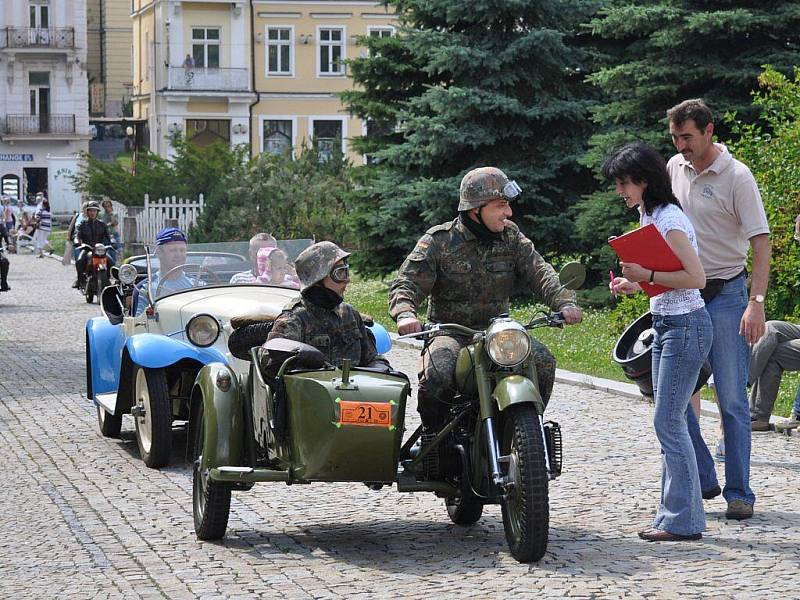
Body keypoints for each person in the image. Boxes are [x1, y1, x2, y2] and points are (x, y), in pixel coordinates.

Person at [389, 166, 582, 433]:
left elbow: (541, 272)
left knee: (543, 362)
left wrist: (565, 302)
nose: (508, 213)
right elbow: (406, 283)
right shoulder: (440, 241)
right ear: (475, 210)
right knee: (438, 374)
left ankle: (523, 432)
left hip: (498, 333)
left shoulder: (511, 236)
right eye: (501, 205)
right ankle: (437, 442)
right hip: (449, 331)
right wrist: (406, 314)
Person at [666, 98, 770, 521]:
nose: (681, 146)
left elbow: (761, 243)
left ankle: (740, 492)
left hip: (727, 295)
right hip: (683, 297)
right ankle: (706, 476)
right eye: (675, 138)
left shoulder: (737, 177)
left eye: (687, 137)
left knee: (731, 401)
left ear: (709, 130)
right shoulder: (674, 167)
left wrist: (755, 304)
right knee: (671, 398)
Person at [605, 142, 711, 542]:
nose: (620, 191)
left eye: (623, 183)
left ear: (644, 181)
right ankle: (674, 515)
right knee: (675, 419)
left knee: (668, 420)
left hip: (686, 326)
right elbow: (665, 279)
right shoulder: (648, 215)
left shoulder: (669, 221)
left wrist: (646, 269)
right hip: (667, 323)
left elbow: (696, 278)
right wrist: (635, 283)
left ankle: (683, 520)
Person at [266, 241, 383, 368]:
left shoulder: (349, 314)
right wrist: (302, 355)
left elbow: (371, 358)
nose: (347, 279)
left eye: (346, 271)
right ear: (317, 280)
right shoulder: (294, 320)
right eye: (339, 273)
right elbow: (268, 362)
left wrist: (383, 368)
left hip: (354, 386)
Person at [133, 227, 199, 315]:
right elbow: (139, 325)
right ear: (159, 253)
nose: (179, 255)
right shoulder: (146, 288)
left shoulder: (198, 284)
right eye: (173, 250)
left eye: (182, 250)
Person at [74, 201, 112, 288]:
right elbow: (77, 235)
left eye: (94, 211)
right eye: (90, 210)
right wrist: (77, 242)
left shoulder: (102, 224)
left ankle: (107, 279)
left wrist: (112, 243)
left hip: (100, 249)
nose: (92, 213)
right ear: (87, 212)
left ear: (97, 212)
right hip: (87, 248)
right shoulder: (82, 224)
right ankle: (81, 280)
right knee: (79, 261)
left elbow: (108, 236)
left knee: (111, 261)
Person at [0, 221, 10, 291]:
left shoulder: (1, 227)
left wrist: (10, 244)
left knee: (5, 262)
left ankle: (4, 283)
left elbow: (6, 237)